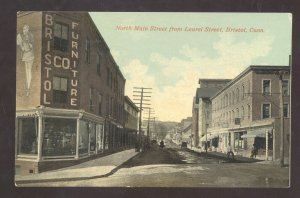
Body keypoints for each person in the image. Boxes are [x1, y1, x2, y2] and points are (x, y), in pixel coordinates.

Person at [17, 25, 35, 96]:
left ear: (28, 30)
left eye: (26, 29)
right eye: (23, 29)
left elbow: (30, 46)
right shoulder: (20, 36)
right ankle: (27, 89)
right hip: (25, 55)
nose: (24, 30)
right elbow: (19, 44)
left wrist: (26, 43)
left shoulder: (30, 36)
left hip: (30, 55)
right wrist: (22, 45)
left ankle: (28, 88)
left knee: (29, 71)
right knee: (26, 71)